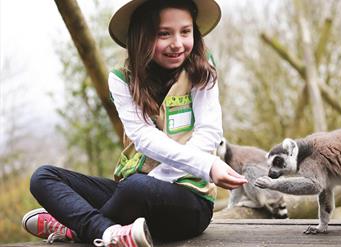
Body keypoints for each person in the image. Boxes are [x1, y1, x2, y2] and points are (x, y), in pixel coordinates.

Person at [21, 0, 247, 246]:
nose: (177, 43)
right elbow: (143, 136)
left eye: (185, 31)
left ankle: (79, 228)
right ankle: (109, 233)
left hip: (188, 202)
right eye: (164, 34)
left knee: (136, 188)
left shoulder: (202, 67)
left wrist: (206, 165)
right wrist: (205, 164)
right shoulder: (121, 79)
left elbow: (208, 132)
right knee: (43, 177)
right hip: (132, 192)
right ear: (142, 35)